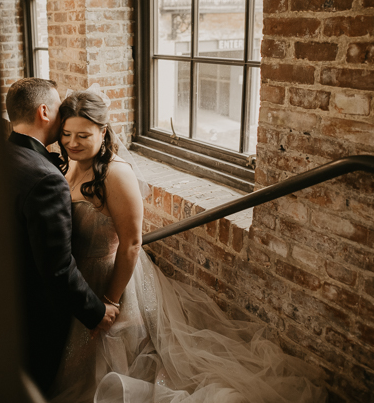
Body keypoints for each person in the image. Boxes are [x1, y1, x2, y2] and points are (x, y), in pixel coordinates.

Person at [49, 88, 327, 403]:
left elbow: (132, 243)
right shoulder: (68, 162)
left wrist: (110, 301)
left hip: (110, 280)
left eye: (82, 135)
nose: (72, 142)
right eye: (67, 134)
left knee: (111, 364)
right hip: (78, 276)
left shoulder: (116, 175)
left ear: (103, 131)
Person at [5, 78, 119, 396]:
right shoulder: (45, 178)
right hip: (37, 311)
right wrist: (96, 312)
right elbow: (56, 266)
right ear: (44, 111)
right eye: (58, 108)